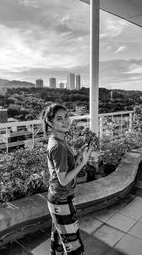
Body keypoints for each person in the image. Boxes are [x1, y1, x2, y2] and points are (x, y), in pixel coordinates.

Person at [42, 103, 92, 255]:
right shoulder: (58, 146)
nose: (66, 121)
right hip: (61, 198)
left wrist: (77, 156)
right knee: (73, 244)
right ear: (50, 122)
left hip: (58, 197)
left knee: (59, 239)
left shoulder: (58, 139)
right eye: (59, 118)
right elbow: (63, 179)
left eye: (66, 116)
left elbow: (64, 166)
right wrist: (83, 162)